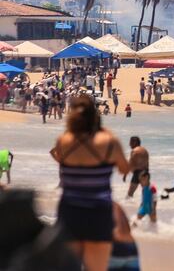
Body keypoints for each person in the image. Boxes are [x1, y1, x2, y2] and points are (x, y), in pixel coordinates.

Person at [49, 93, 129, 271]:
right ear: (95, 116)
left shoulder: (63, 141)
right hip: (98, 213)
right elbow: (124, 169)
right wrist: (105, 131)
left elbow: (60, 159)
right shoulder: (109, 141)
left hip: (69, 211)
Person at [109, 202, 140, 270]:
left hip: (112, 247)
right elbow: (128, 228)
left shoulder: (86, 203)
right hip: (130, 247)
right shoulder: (116, 205)